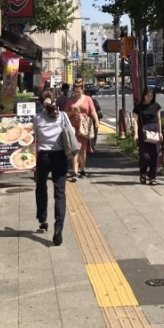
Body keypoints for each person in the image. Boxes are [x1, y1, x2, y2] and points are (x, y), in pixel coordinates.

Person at [32, 89, 69, 246]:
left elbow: (35, 137)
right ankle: (58, 227)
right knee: (59, 192)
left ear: (41, 102)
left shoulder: (37, 118)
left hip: (44, 156)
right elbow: (70, 133)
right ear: (54, 100)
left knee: (41, 187)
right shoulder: (62, 116)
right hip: (60, 155)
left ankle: (42, 219)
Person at [66, 78, 100, 180]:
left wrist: (97, 121)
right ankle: (75, 172)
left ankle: (83, 169)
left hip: (84, 127)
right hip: (73, 127)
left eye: (79, 90)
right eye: (75, 90)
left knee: (83, 150)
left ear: (82, 89)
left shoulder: (88, 99)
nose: (77, 92)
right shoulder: (70, 100)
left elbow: (93, 111)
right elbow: (65, 114)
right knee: (75, 148)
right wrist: (72, 112)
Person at [132, 87, 162, 185]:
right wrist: (135, 134)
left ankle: (153, 177)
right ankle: (143, 172)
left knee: (155, 154)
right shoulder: (139, 106)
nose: (149, 97)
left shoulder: (156, 106)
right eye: (148, 95)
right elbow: (135, 121)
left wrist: (160, 132)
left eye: (151, 96)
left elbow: (159, 119)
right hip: (143, 130)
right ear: (144, 95)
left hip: (154, 130)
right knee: (145, 155)